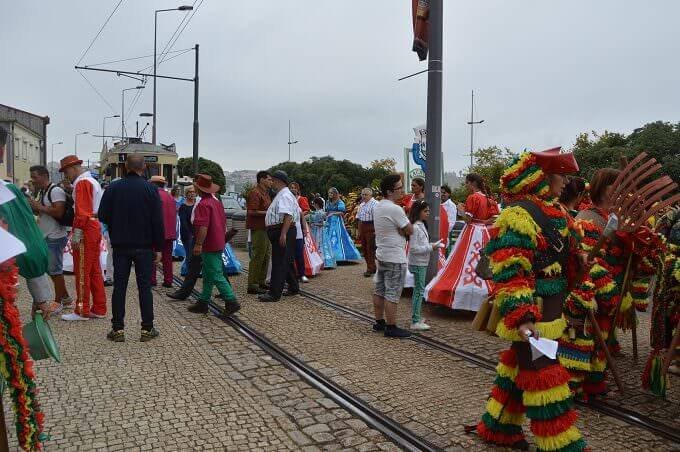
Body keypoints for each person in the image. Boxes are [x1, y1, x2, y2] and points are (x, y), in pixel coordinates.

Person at [475, 148, 588, 452]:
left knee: (518, 367)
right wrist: (524, 319)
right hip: (532, 314)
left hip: (550, 313)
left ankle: (499, 427)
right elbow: (511, 268)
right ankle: (559, 445)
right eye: (562, 175)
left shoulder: (555, 211)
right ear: (543, 176)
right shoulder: (519, 213)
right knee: (545, 376)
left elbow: (566, 259)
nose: (566, 182)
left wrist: (582, 259)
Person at [98, 155, 163, 342]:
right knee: (144, 288)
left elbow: (102, 215)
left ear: (125, 167)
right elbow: (157, 221)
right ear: (143, 168)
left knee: (120, 287)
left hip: (120, 246)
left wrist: (117, 224)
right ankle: (147, 329)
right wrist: (158, 247)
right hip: (144, 247)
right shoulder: (151, 189)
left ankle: (118, 330)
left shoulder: (113, 188)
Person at [424, 173, 498, 311]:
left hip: (471, 233)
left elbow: (468, 220)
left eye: (467, 183)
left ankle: (461, 292)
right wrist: (484, 222)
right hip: (484, 232)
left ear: (472, 183)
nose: (466, 186)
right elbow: (494, 218)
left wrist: (461, 210)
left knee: (462, 261)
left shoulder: (473, 197)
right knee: (484, 260)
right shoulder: (489, 199)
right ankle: (484, 290)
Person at [59, 155, 106, 321]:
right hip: (93, 225)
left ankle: (81, 310)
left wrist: (76, 234)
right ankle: (99, 308)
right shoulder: (91, 181)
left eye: (66, 172)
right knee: (94, 270)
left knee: (82, 270)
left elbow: (82, 212)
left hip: (86, 228)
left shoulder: (82, 182)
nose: (66, 176)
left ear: (73, 168)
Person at [187, 174, 240, 315]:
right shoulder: (216, 202)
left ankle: (231, 300)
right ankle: (203, 301)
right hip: (218, 241)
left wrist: (198, 244)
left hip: (208, 244)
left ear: (199, 189)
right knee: (208, 273)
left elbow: (203, 227)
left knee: (215, 274)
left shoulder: (203, 204)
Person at [372, 174, 413, 338]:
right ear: (390, 191)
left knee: (379, 290)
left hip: (381, 254)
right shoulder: (395, 209)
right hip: (395, 256)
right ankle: (391, 326)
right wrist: (402, 228)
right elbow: (409, 230)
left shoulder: (379, 206)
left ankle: (379, 322)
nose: (402, 190)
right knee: (392, 293)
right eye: (399, 188)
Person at [28, 165, 73, 311]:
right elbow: (42, 211)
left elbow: (58, 212)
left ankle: (58, 302)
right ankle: (65, 298)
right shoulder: (43, 191)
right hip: (47, 235)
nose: (33, 180)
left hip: (55, 236)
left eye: (35, 177)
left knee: (55, 271)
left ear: (44, 175)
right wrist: (31, 206)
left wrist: (39, 207)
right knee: (51, 270)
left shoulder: (56, 191)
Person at [258, 171, 299, 303]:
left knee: (279, 262)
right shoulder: (283, 194)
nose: (272, 183)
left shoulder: (285, 195)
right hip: (281, 229)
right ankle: (293, 286)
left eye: (273, 180)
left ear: (279, 181)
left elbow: (288, 215)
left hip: (282, 229)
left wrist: (283, 234)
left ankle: (274, 293)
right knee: (286, 260)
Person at [407, 200, 442, 331]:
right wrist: (431, 247)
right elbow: (414, 248)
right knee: (419, 291)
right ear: (418, 212)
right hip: (418, 263)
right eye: (425, 211)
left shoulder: (420, 225)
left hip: (420, 262)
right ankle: (415, 320)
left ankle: (416, 317)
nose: (428, 213)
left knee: (418, 290)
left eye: (428, 210)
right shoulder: (416, 227)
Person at [246, 171, 272, 294]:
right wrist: (269, 213)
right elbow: (252, 211)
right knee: (258, 255)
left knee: (266, 255)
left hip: (266, 227)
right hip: (259, 228)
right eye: (269, 179)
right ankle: (252, 284)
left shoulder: (265, 193)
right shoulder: (255, 193)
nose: (271, 182)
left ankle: (261, 281)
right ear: (261, 180)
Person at [149, 176, 177, 288]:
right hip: (169, 233)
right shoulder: (170, 197)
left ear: (153, 184)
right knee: (167, 259)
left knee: (153, 257)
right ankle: (168, 280)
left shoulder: (153, 196)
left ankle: (152, 279)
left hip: (156, 232)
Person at [325, 187, 361, 262]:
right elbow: (327, 211)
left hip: (337, 222)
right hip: (329, 221)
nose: (330, 194)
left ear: (335, 194)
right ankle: (329, 255)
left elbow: (342, 212)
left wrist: (332, 213)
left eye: (331, 193)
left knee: (339, 236)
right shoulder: (328, 202)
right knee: (328, 236)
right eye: (329, 193)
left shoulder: (339, 202)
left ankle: (340, 255)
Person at [290, 182, 310, 283]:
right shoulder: (287, 204)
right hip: (289, 233)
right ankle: (292, 275)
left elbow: (302, 216)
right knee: (290, 255)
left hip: (298, 233)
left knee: (299, 255)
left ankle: (302, 274)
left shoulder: (299, 203)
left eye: (294, 188)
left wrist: (304, 230)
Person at [309, 197, 336, 269]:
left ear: (317, 204)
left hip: (319, 231)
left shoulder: (321, 213)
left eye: (314, 203)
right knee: (317, 244)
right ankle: (318, 261)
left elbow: (325, 223)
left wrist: (315, 224)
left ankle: (323, 261)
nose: (313, 205)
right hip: (314, 230)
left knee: (321, 244)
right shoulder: (314, 212)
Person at [357, 187, 378, 277]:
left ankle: (370, 268)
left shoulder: (375, 204)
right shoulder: (361, 205)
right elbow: (359, 218)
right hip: (363, 226)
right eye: (362, 194)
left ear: (371, 195)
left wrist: (376, 230)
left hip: (371, 227)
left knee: (370, 249)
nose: (364, 196)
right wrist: (359, 230)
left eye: (366, 194)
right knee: (364, 249)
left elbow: (377, 219)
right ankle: (372, 267)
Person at [177, 185, 197, 277]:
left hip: (197, 234)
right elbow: (184, 223)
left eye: (193, 192)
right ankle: (190, 275)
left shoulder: (197, 204)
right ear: (186, 194)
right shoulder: (183, 207)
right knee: (190, 256)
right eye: (190, 192)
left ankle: (194, 273)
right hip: (188, 235)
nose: (192, 194)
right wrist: (190, 234)